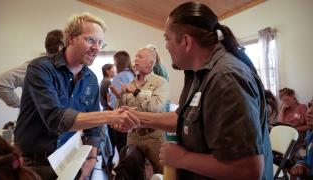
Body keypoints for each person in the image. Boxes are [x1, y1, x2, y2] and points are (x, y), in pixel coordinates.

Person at [120, 2, 273, 179]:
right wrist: (136, 118)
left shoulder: (225, 78)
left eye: (167, 39)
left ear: (186, 41)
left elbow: (248, 170)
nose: (167, 46)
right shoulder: (197, 73)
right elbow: (182, 119)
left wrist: (182, 158)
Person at [14, 12, 138, 179]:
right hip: (34, 164)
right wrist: (111, 116)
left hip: (70, 162)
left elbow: (93, 129)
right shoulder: (41, 69)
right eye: (91, 40)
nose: (97, 47)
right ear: (71, 38)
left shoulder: (91, 79)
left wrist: (92, 158)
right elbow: (56, 119)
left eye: (100, 42)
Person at [111, 47, 169, 174]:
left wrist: (136, 92)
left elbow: (156, 106)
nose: (135, 59)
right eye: (135, 56)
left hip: (154, 136)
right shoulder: (131, 82)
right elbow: (121, 108)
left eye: (140, 57)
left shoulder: (161, 82)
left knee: (162, 172)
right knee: (133, 172)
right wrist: (119, 97)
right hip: (133, 135)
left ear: (151, 62)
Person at [0, 29, 64, 109]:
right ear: (60, 47)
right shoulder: (37, 67)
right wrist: (22, 106)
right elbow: (0, 84)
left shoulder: (67, 69)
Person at [108, 50, 136, 153]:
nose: (114, 64)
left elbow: (115, 100)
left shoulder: (119, 77)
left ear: (118, 62)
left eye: (114, 61)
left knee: (120, 146)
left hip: (121, 115)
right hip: (131, 114)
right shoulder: (132, 75)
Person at [290, 98, 313, 179]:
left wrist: (307, 173)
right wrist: (300, 164)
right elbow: (303, 155)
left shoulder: (301, 107)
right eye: (310, 105)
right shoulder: (309, 134)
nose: (309, 111)